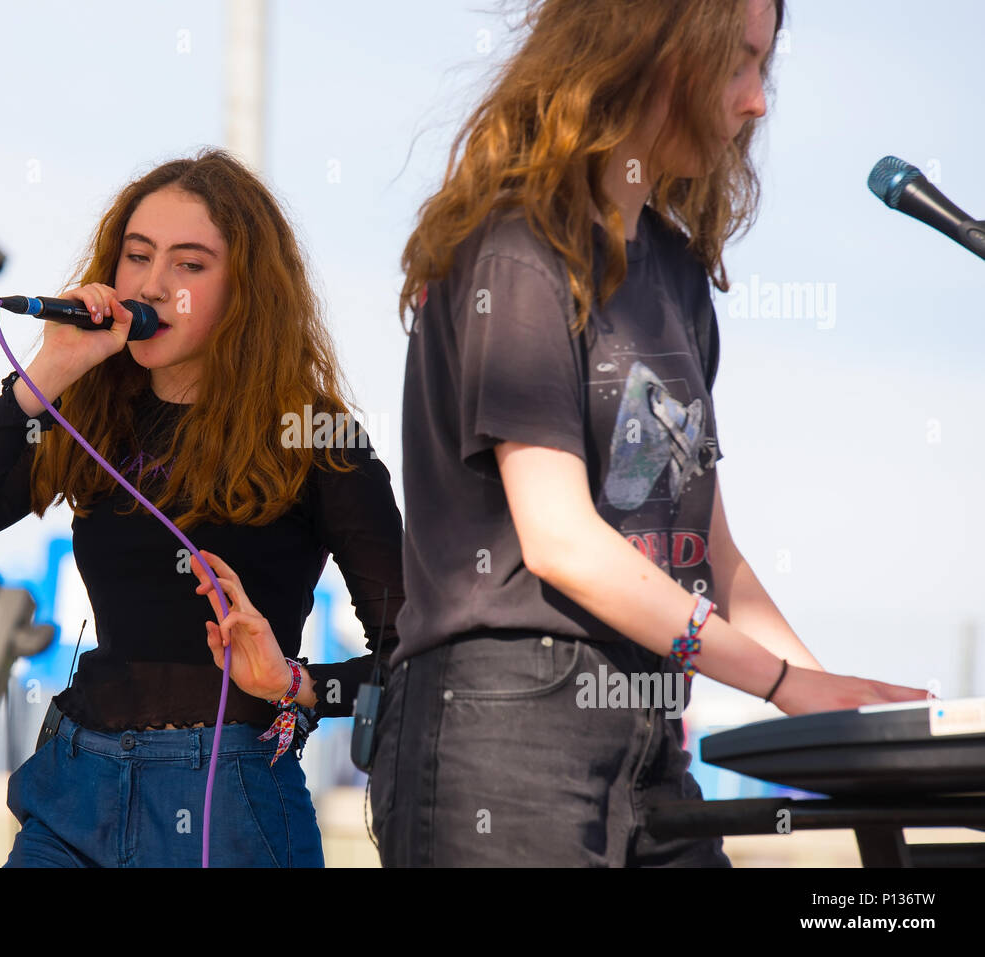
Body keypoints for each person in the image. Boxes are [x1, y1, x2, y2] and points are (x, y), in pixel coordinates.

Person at [371, 0, 926, 867]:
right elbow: (561, 542)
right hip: (506, 729)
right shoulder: (519, 249)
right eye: (739, 63)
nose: (757, 102)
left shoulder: (673, 272)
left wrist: (840, 715)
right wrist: (782, 684)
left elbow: (709, 549)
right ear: (655, 51)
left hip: (649, 720)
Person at [0, 149, 404, 867]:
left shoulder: (316, 435)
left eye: (190, 264)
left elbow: (417, 655)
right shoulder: (89, 411)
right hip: (74, 783)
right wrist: (50, 371)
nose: (152, 284)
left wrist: (296, 683)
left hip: (229, 795)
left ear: (246, 288)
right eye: (137, 255)